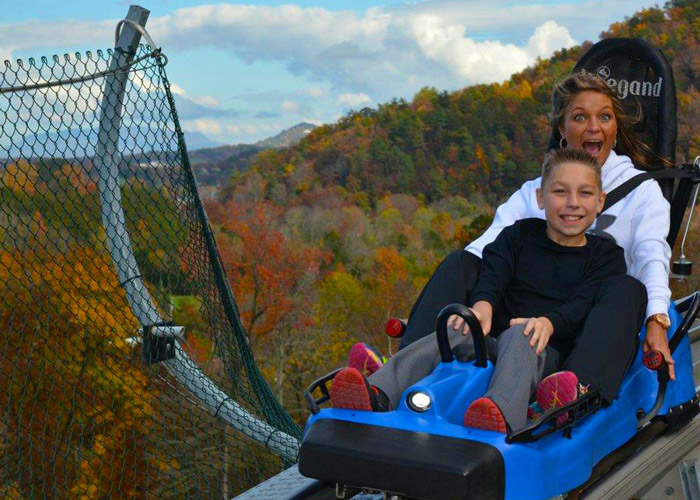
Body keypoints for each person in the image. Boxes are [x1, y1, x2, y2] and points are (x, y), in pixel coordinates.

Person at [396, 72, 674, 405]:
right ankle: (405, 365)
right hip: (521, 320)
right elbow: (487, 249)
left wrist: (657, 319)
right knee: (462, 260)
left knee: (628, 287)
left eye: (604, 117)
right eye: (580, 117)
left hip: (590, 320)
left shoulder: (642, 191)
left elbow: (651, 255)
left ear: (616, 128)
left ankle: (574, 394)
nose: (593, 127)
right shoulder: (536, 192)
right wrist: (478, 304)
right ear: (562, 129)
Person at [330, 148, 631, 433]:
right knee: (458, 327)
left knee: (520, 334)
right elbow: (493, 273)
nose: (572, 202)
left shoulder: (605, 256)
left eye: (585, 193)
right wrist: (482, 306)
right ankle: (379, 391)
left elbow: (584, 302)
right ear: (541, 197)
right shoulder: (519, 235)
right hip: (493, 343)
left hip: (544, 353)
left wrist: (549, 323)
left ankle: (500, 414)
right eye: (560, 191)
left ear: (600, 201)